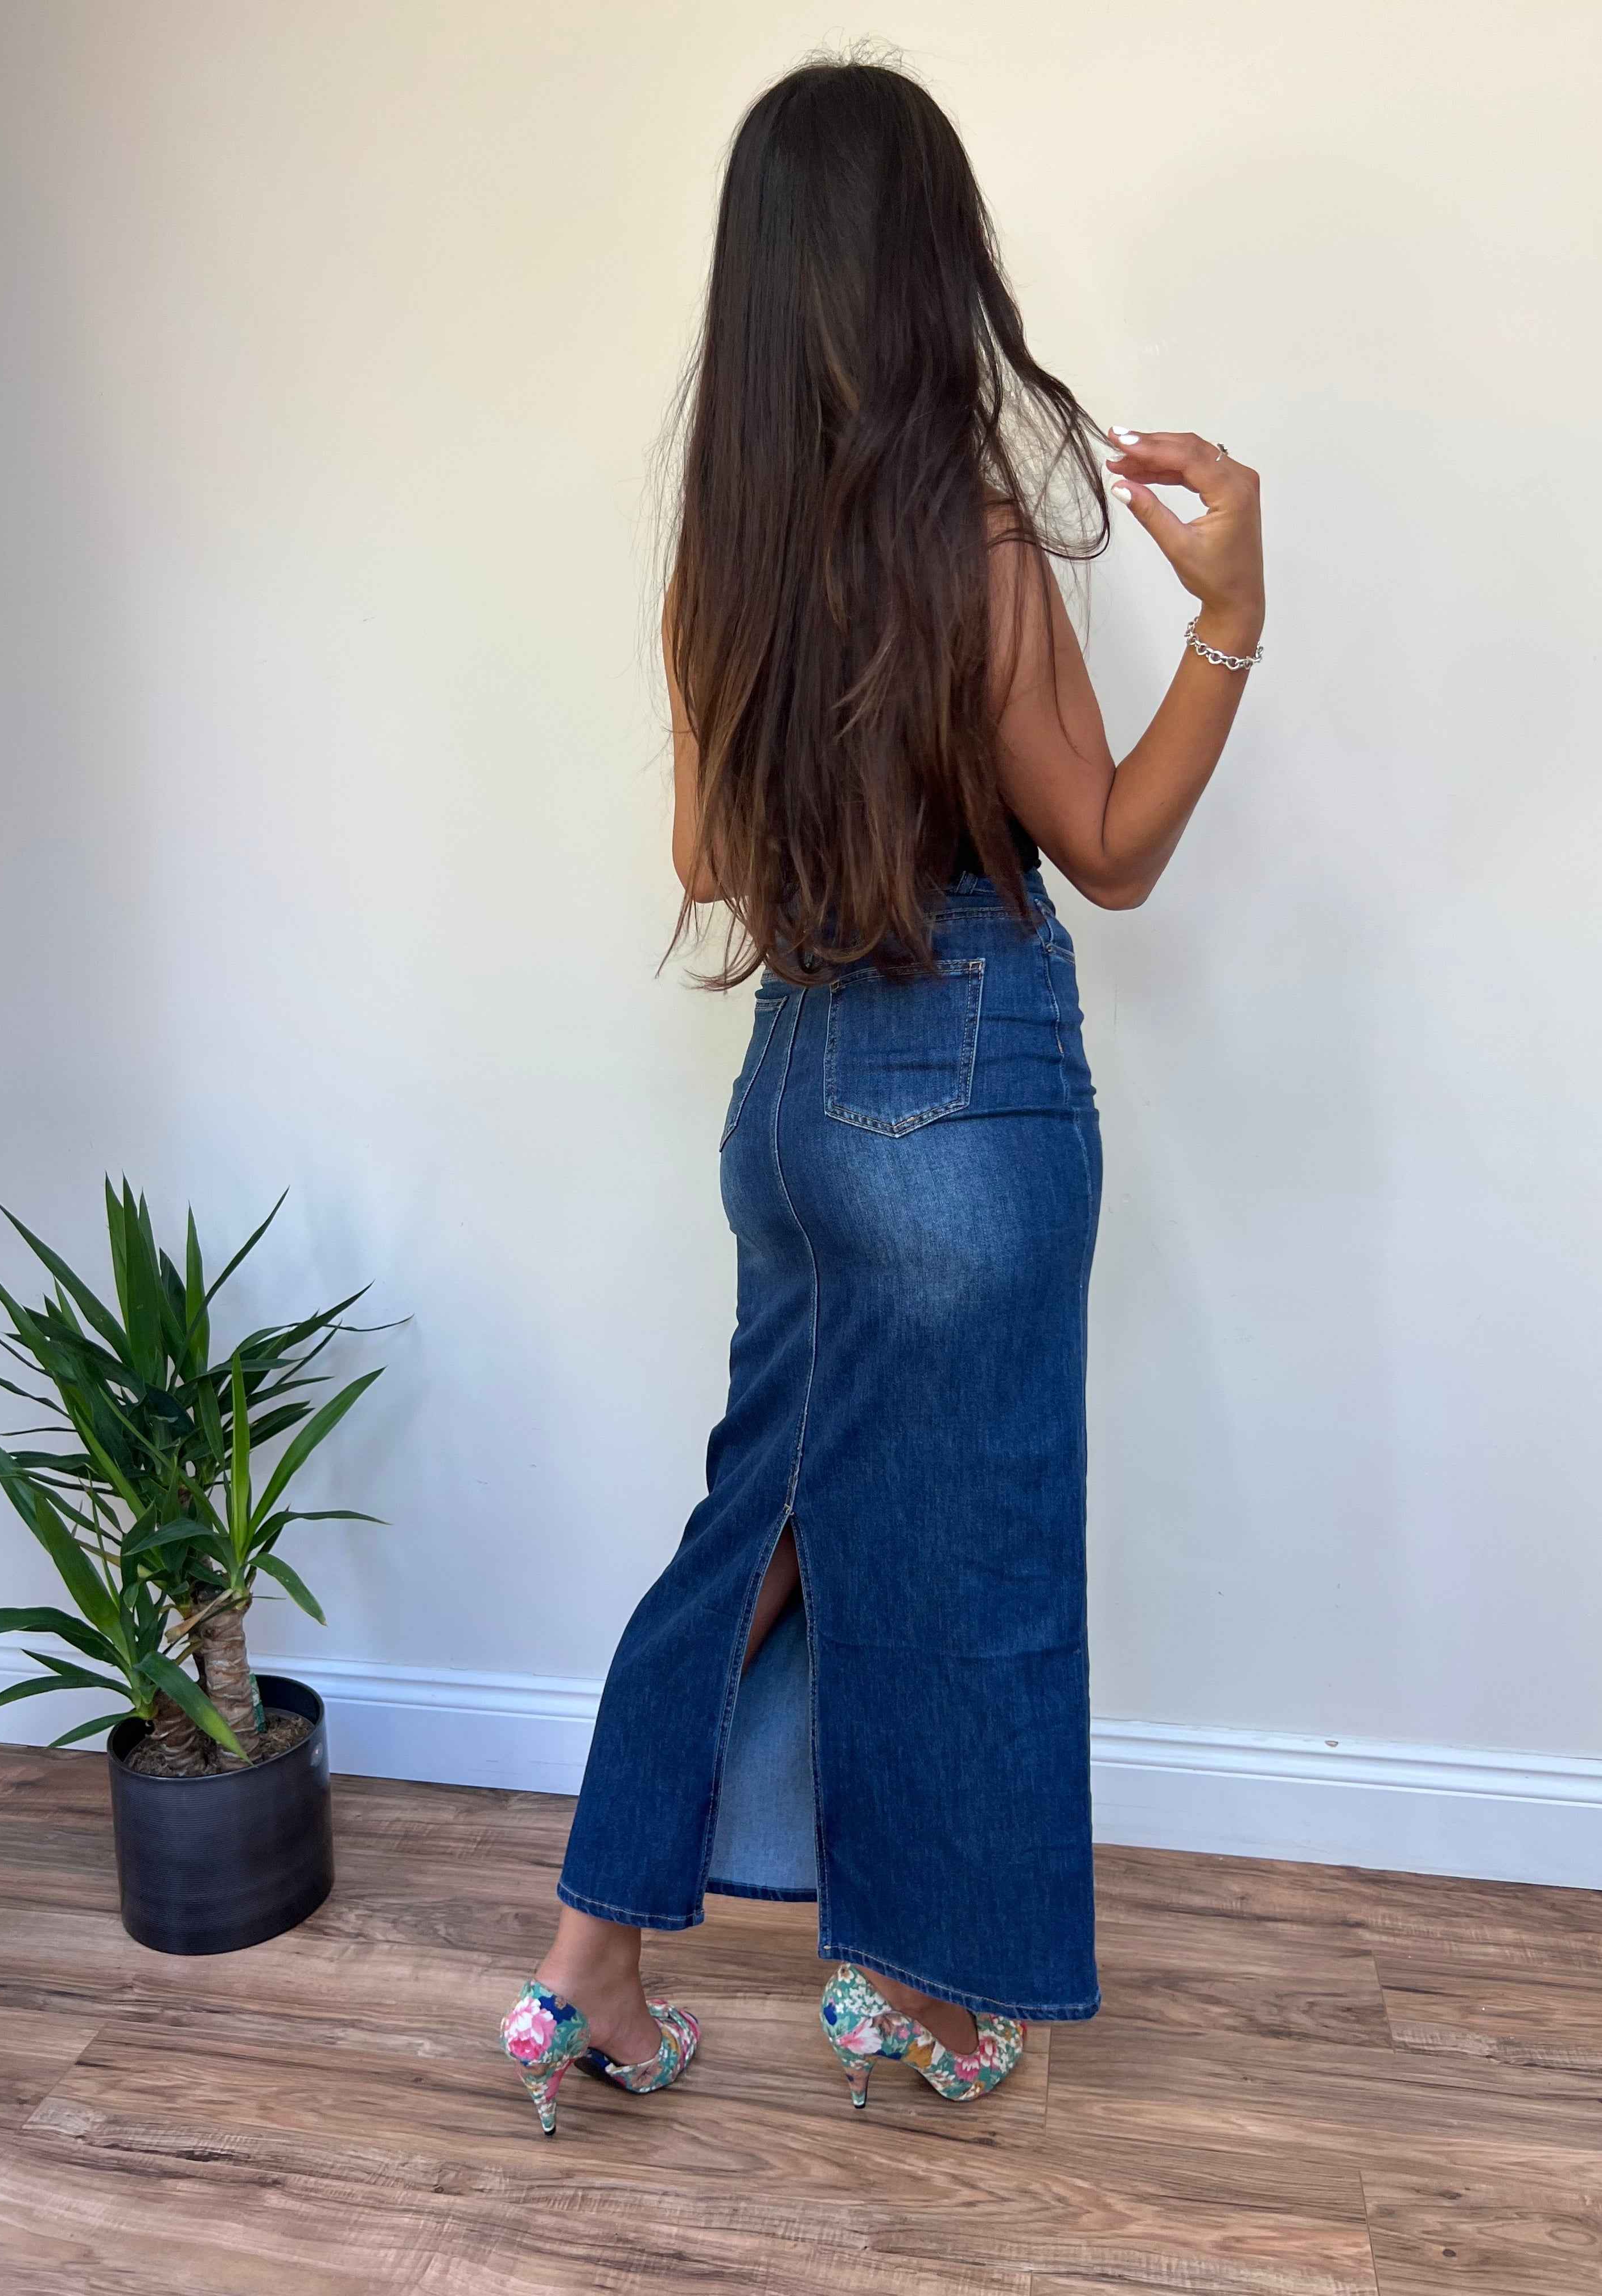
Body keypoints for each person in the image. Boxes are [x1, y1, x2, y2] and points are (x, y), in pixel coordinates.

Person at [500, 55, 1264, 2133]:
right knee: (970, 1555)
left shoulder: (722, 556)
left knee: (768, 1521)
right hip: (971, 1078)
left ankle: (591, 1963)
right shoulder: (983, 551)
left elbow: (702, 862)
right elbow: (1102, 846)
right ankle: (918, 2001)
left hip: (794, 1100)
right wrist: (1234, 626)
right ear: (934, 271)